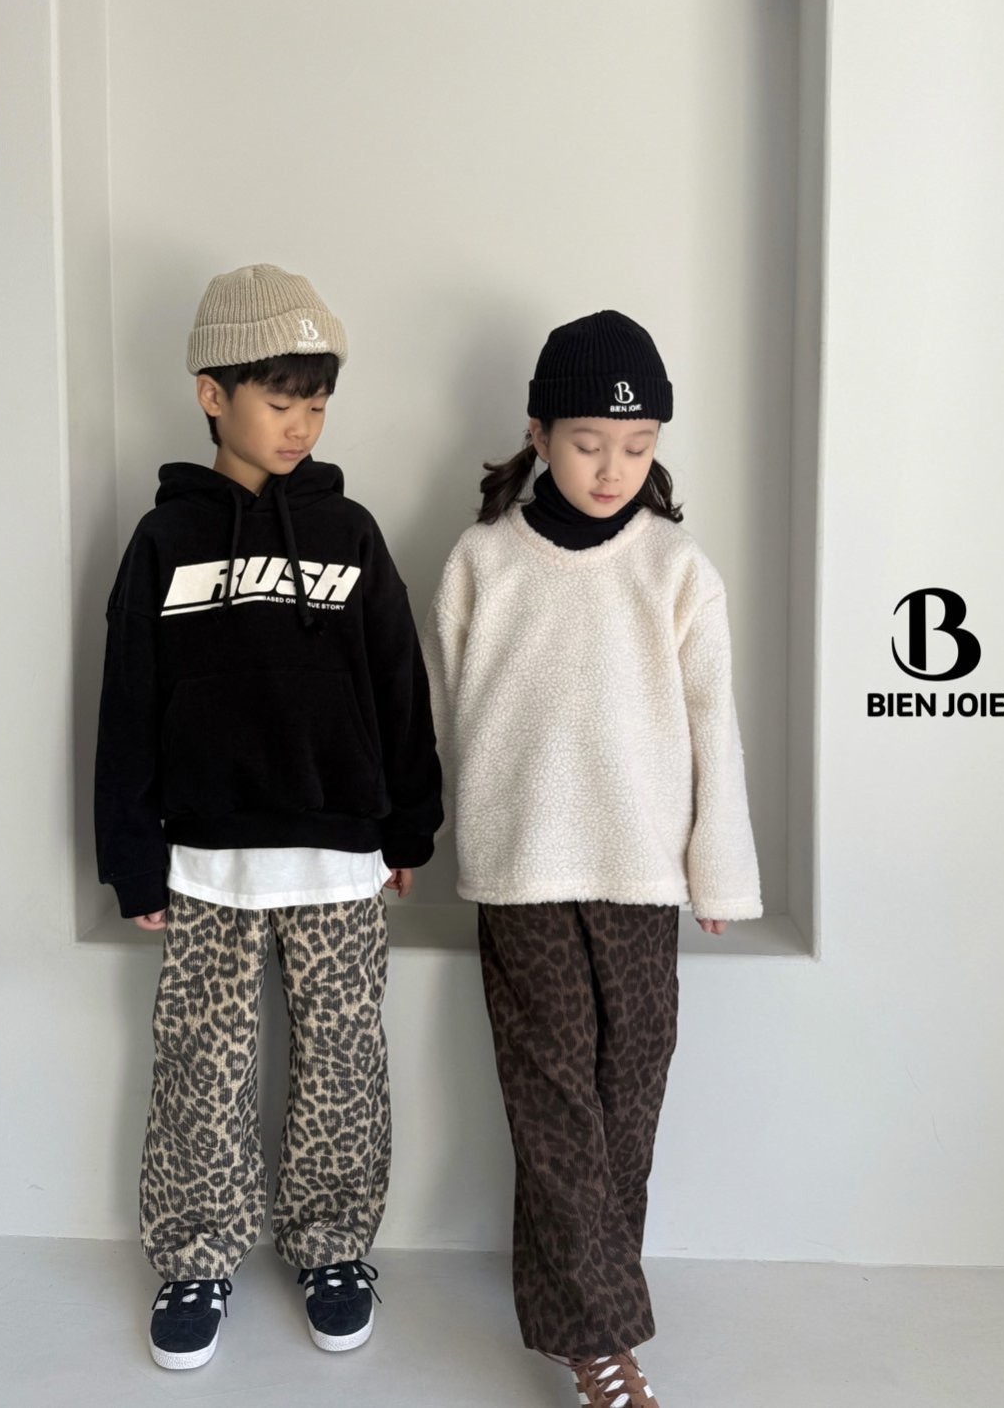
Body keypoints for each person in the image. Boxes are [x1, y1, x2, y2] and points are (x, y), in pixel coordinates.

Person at [93, 263, 442, 1371]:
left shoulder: (350, 534)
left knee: (342, 1063)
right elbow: (127, 704)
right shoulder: (163, 541)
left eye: (317, 402)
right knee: (202, 1066)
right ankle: (196, 1255)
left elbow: (399, 685)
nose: (301, 424)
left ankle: (334, 1248)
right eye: (279, 399)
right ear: (212, 394)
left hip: (339, 859)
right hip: (205, 864)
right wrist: (132, 856)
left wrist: (410, 826)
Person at [421, 308, 762, 1408]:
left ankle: (584, 1304)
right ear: (537, 433)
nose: (614, 468)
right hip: (521, 867)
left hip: (641, 873)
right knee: (553, 1097)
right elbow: (441, 716)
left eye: (638, 445)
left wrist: (718, 869)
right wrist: (412, 836)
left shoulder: (675, 565)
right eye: (587, 443)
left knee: (629, 1096)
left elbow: (712, 727)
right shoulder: (482, 561)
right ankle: (601, 1348)